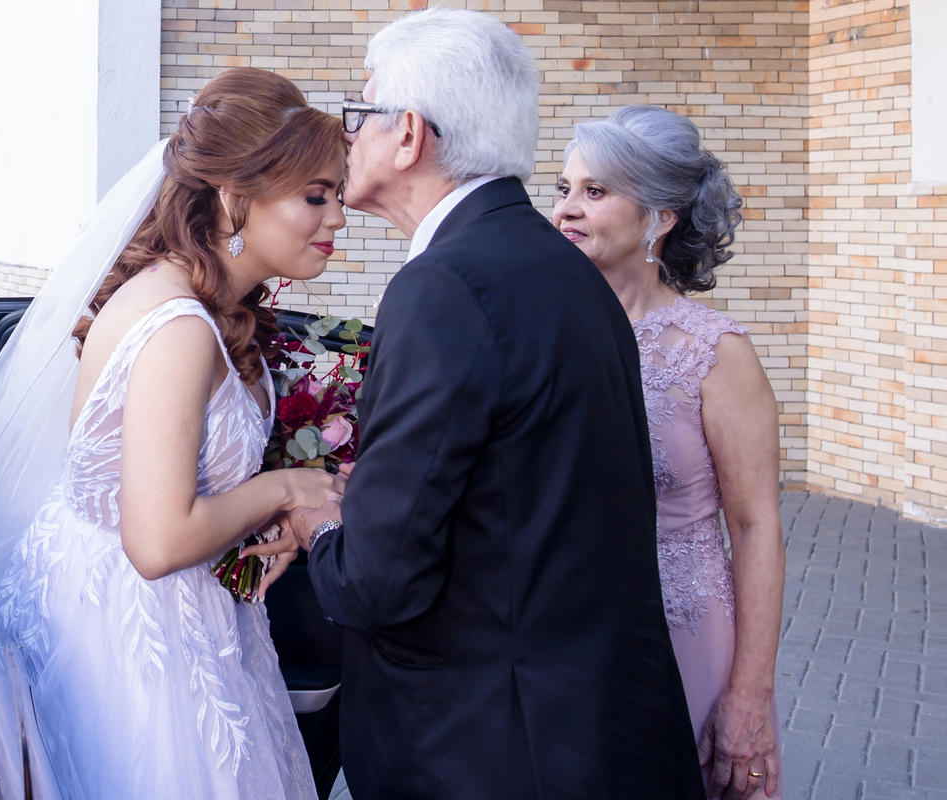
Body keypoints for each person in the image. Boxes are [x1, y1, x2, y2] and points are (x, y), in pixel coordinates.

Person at [284, 10, 705, 799]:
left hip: (488, 744)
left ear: (408, 134)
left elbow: (379, 580)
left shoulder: (443, 286)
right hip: (595, 725)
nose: (349, 139)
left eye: (360, 115)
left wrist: (318, 521)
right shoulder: (565, 270)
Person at [0, 68, 346, 799]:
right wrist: (285, 485)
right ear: (234, 196)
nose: (338, 220)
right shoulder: (179, 329)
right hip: (131, 650)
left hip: (185, 622)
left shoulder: (206, 305)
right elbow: (157, 543)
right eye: (315, 196)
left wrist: (266, 521)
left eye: (339, 197)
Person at [552, 104, 786, 800]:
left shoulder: (715, 352)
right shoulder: (552, 333)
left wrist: (748, 694)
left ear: (660, 217)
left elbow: (756, 526)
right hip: (570, 636)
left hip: (686, 637)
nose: (566, 209)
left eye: (595, 192)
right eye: (562, 188)